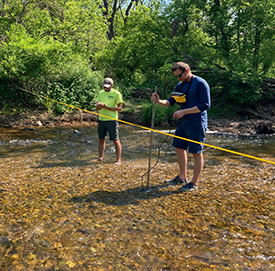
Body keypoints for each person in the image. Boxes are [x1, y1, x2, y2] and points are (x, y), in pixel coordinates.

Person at [151, 62, 210, 191]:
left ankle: (194, 183)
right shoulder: (180, 85)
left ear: (187, 71)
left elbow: (205, 105)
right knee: (178, 147)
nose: (178, 78)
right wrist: (158, 101)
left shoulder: (200, 83)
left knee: (196, 152)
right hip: (184, 122)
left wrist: (184, 111)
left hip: (197, 122)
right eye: (176, 76)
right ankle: (182, 177)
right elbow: (170, 102)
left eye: (179, 75)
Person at [95, 78, 123, 165]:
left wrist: (107, 107)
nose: (105, 88)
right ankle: (100, 157)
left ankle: (118, 160)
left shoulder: (116, 94)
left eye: (107, 87)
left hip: (112, 120)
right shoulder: (100, 93)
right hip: (101, 119)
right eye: (104, 87)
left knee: (115, 140)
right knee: (101, 139)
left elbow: (119, 108)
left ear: (112, 86)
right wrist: (99, 106)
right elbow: (97, 108)